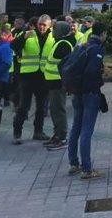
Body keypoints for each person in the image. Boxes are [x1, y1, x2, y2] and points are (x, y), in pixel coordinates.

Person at [68, 22, 107, 180]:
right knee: (86, 131)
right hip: (89, 93)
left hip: (77, 92)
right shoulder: (97, 49)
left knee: (76, 128)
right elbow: (92, 71)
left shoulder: (82, 45)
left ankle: (73, 164)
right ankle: (87, 168)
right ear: (103, 33)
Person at [12, 15, 53, 144]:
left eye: (44, 25)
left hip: (43, 77)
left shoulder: (53, 37)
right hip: (27, 77)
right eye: (40, 24)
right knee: (24, 106)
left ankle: (38, 132)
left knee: (41, 108)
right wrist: (23, 38)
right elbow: (13, 46)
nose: (41, 27)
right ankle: (17, 133)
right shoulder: (28, 34)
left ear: (49, 26)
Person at [43, 19, 76, 150]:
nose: (52, 32)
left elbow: (65, 65)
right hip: (53, 83)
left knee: (58, 111)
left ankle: (62, 138)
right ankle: (57, 135)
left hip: (58, 83)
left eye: (55, 30)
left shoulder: (63, 44)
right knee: (54, 110)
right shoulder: (60, 42)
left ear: (61, 31)